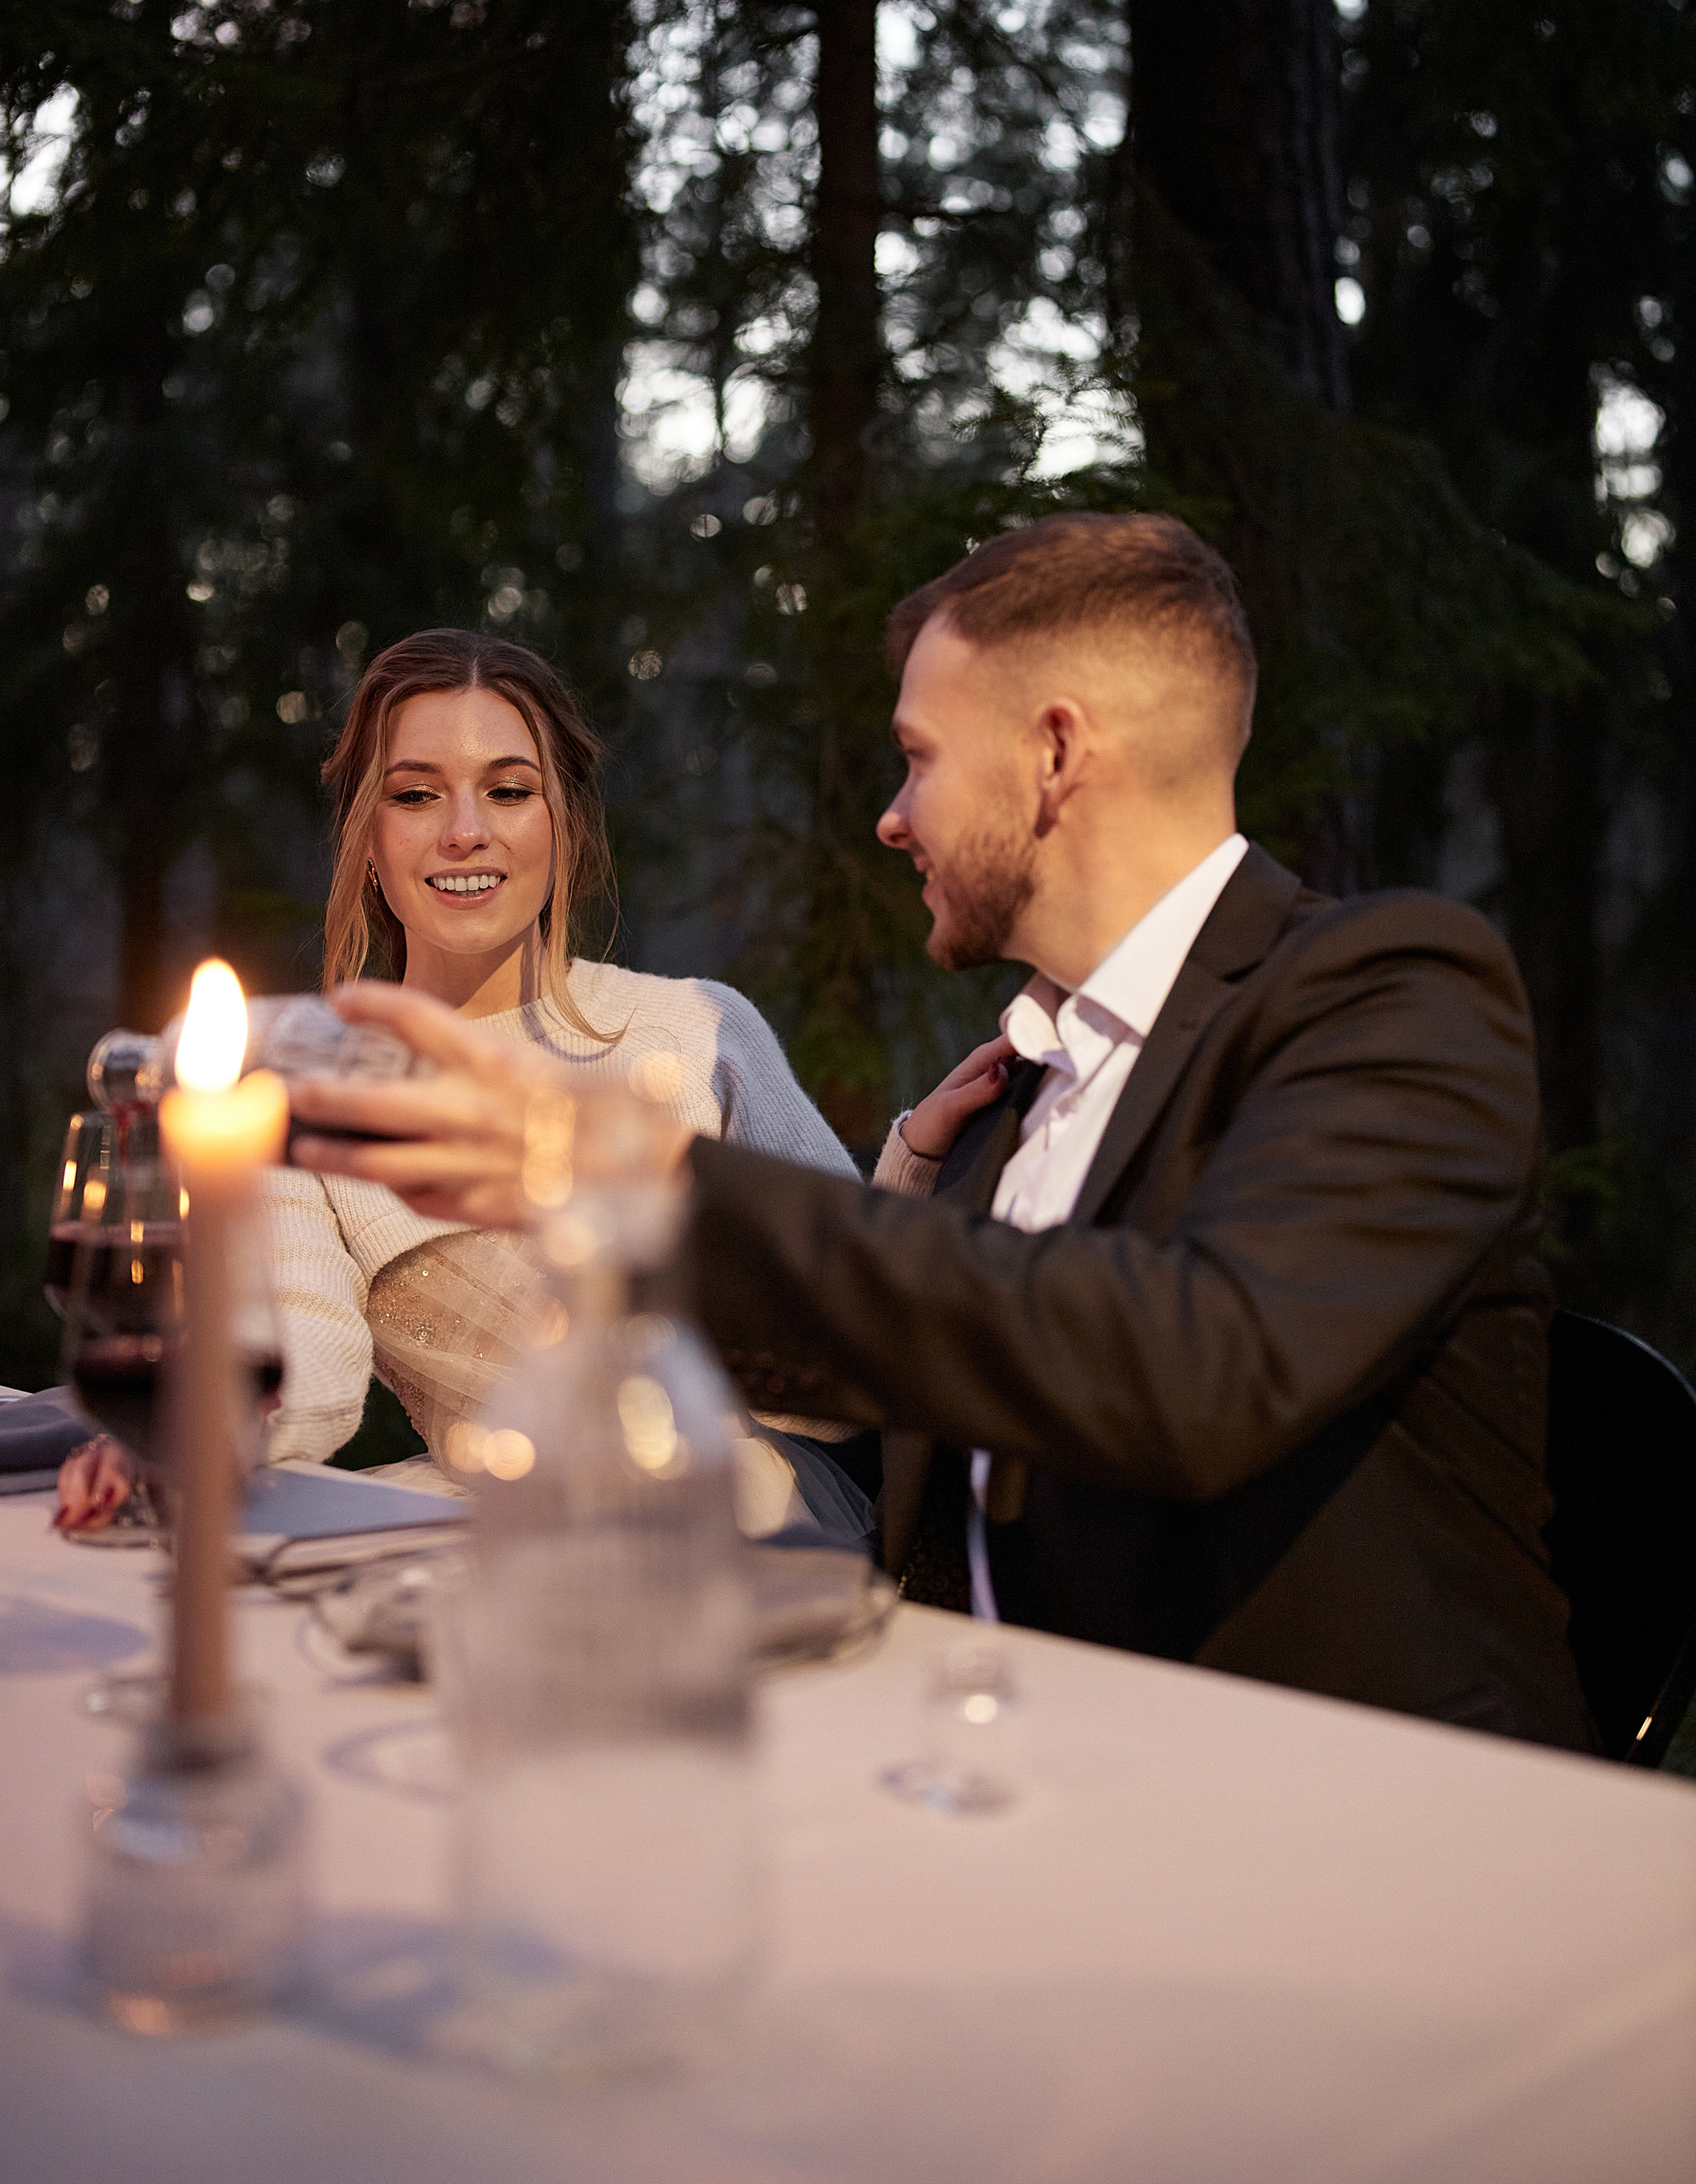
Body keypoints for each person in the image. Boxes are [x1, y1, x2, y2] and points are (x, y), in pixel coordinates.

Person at [284, 516, 1598, 1751]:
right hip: (987, 1766)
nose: (891, 815)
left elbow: (1197, 1364)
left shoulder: (1390, 992)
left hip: (1346, 1812)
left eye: (918, 758)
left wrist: (629, 1172)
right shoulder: (1016, 1099)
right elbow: (879, 1410)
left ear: (1056, 754)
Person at [55, 627, 867, 1541]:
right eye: (414, 795)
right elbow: (301, 1356)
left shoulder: (696, 1026)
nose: (465, 831)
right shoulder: (299, 1086)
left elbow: (860, 1302)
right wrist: (189, 1430)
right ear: (367, 837)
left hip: (744, 1521)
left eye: (509, 791)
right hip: (504, 1520)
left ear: (563, 824)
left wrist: (914, 1161)